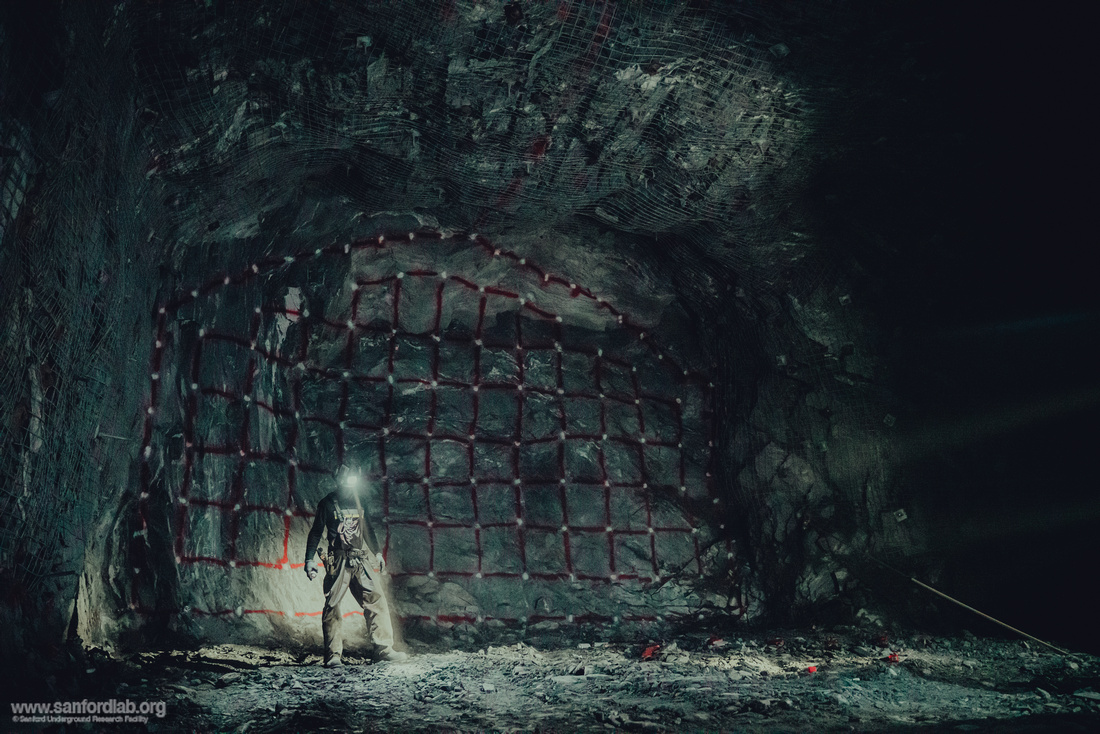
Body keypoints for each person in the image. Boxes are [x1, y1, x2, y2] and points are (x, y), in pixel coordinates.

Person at [304, 465, 408, 667]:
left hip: (361, 559)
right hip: (339, 559)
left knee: (376, 601)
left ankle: (384, 649)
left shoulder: (360, 502)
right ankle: (333, 655)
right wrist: (309, 560)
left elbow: (367, 527)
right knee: (332, 606)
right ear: (337, 480)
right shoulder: (327, 503)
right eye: (344, 479)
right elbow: (316, 532)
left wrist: (377, 553)